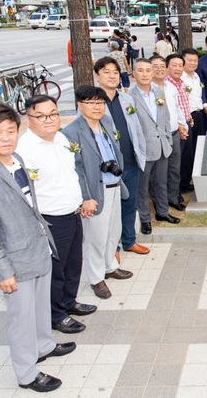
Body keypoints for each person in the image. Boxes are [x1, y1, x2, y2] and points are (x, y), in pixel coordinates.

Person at [0, 104, 75, 392]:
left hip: (38, 248)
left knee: (38, 309)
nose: (5, 137)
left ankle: (44, 345)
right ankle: (26, 374)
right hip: (13, 261)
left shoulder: (18, 159)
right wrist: (2, 272)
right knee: (21, 320)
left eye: (10, 130)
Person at [16, 95, 97, 334]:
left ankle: (69, 302)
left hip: (72, 213)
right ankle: (56, 315)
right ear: (28, 118)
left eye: (53, 113)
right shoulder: (24, 149)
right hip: (50, 219)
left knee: (74, 263)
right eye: (40, 116)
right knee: (55, 271)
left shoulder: (61, 138)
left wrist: (82, 199)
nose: (49, 119)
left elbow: (72, 174)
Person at [62, 86, 133, 300]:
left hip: (115, 185)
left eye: (100, 103)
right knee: (96, 237)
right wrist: (86, 197)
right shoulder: (72, 132)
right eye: (91, 103)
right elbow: (76, 168)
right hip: (95, 191)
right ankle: (95, 278)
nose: (97, 107)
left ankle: (110, 266)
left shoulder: (107, 123)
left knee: (114, 230)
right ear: (80, 105)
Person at [94, 56, 149, 256]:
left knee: (129, 203)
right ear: (97, 75)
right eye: (106, 72)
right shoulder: (93, 103)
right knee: (111, 209)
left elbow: (136, 128)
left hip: (131, 162)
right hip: (108, 168)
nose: (112, 76)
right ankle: (112, 247)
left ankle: (129, 240)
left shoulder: (126, 99)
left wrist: (140, 153)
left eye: (115, 72)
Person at [130, 58, 179, 234]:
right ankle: (144, 219)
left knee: (161, 182)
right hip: (144, 150)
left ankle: (162, 212)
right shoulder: (129, 97)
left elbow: (165, 118)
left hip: (162, 146)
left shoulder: (159, 92)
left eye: (148, 70)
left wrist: (167, 139)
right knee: (142, 186)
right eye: (140, 70)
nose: (145, 74)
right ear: (134, 73)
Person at [150, 54, 189, 211]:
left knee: (174, 169)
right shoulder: (148, 89)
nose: (160, 70)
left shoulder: (171, 87)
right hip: (158, 137)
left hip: (173, 134)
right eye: (155, 67)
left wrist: (182, 124)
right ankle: (160, 202)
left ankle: (173, 198)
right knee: (159, 173)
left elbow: (177, 109)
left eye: (162, 67)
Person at [180, 48, 203, 193]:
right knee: (185, 151)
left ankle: (188, 180)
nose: (193, 63)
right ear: (183, 61)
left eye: (195, 60)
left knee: (195, 148)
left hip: (198, 115)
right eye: (190, 60)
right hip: (186, 117)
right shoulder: (180, 78)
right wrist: (186, 118)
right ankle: (181, 183)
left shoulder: (196, 77)